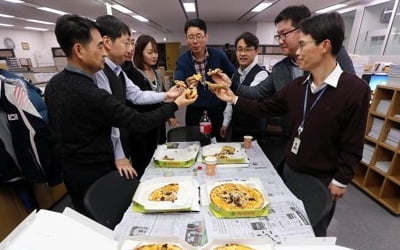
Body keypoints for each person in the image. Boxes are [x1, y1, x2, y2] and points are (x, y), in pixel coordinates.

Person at [211, 12, 370, 236]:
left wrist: (341, 179)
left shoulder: (353, 90)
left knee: (313, 231)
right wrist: (233, 99)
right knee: (288, 227)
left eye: (303, 45)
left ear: (324, 46)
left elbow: (352, 141)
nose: (299, 51)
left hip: (322, 178)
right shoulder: (297, 86)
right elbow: (263, 107)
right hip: (291, 169)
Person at [45, 14, 196, 215]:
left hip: (74, 168)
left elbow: (136, 95)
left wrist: (167, 96)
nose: (103, 53)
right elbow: (135, 121)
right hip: (93, 171)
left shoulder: (55, 84)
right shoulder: (90, 90)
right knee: (102, 220)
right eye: (99, 46)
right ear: (79, 50)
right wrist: (175, 105)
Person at [225, 5, 356, 174]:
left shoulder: (332, 59)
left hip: (324, 153)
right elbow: (259, 95)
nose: (280, 40)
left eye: (284, 34)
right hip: (292, 143)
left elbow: (351, 113)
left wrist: (343, 174)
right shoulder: (284, 71)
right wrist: (232, 87)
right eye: (278, 35)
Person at [94, 15, 182, 178]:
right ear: (107, 42)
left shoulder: (118, 70)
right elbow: (112, 116)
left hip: (135, 134)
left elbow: (137, 95)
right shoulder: (101, 71)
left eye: (132, 43)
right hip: (119, 142)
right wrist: (119, 154)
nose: (130, 48)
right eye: (126, 42)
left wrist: (167, 95)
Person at [122, 34, 179, 177]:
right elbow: (138, 100)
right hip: (142, 127)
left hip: (158, 122)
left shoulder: (156, 72)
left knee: (159, 155)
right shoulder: (133, 74)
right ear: (140, 52)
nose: (154, 56)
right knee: (143, 161)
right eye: (150, 52)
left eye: (156, 51)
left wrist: (170, 115)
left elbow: (163, 94)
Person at [174, 18, 235, 141]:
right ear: (186, 39)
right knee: (194, 145)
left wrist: (223, 81)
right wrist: (186, 84)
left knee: (219, 145)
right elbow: (178, 83)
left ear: (206, 37)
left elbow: (233, 74)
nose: (195, 41)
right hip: (194, 112)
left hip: (217, 110)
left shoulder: (219, 56)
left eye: (199, 36)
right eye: (191, 37)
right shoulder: (182, 60)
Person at [221, 32, 269, 142]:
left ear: (256, 51)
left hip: (254, 130)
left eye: (247, 49)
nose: (242, 53)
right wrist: (225, 123)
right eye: (239, 49)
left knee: (253, 159)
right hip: (237, 128)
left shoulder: (262, 74)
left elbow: (250, 98)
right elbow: (229, 102)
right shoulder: (235, 74)